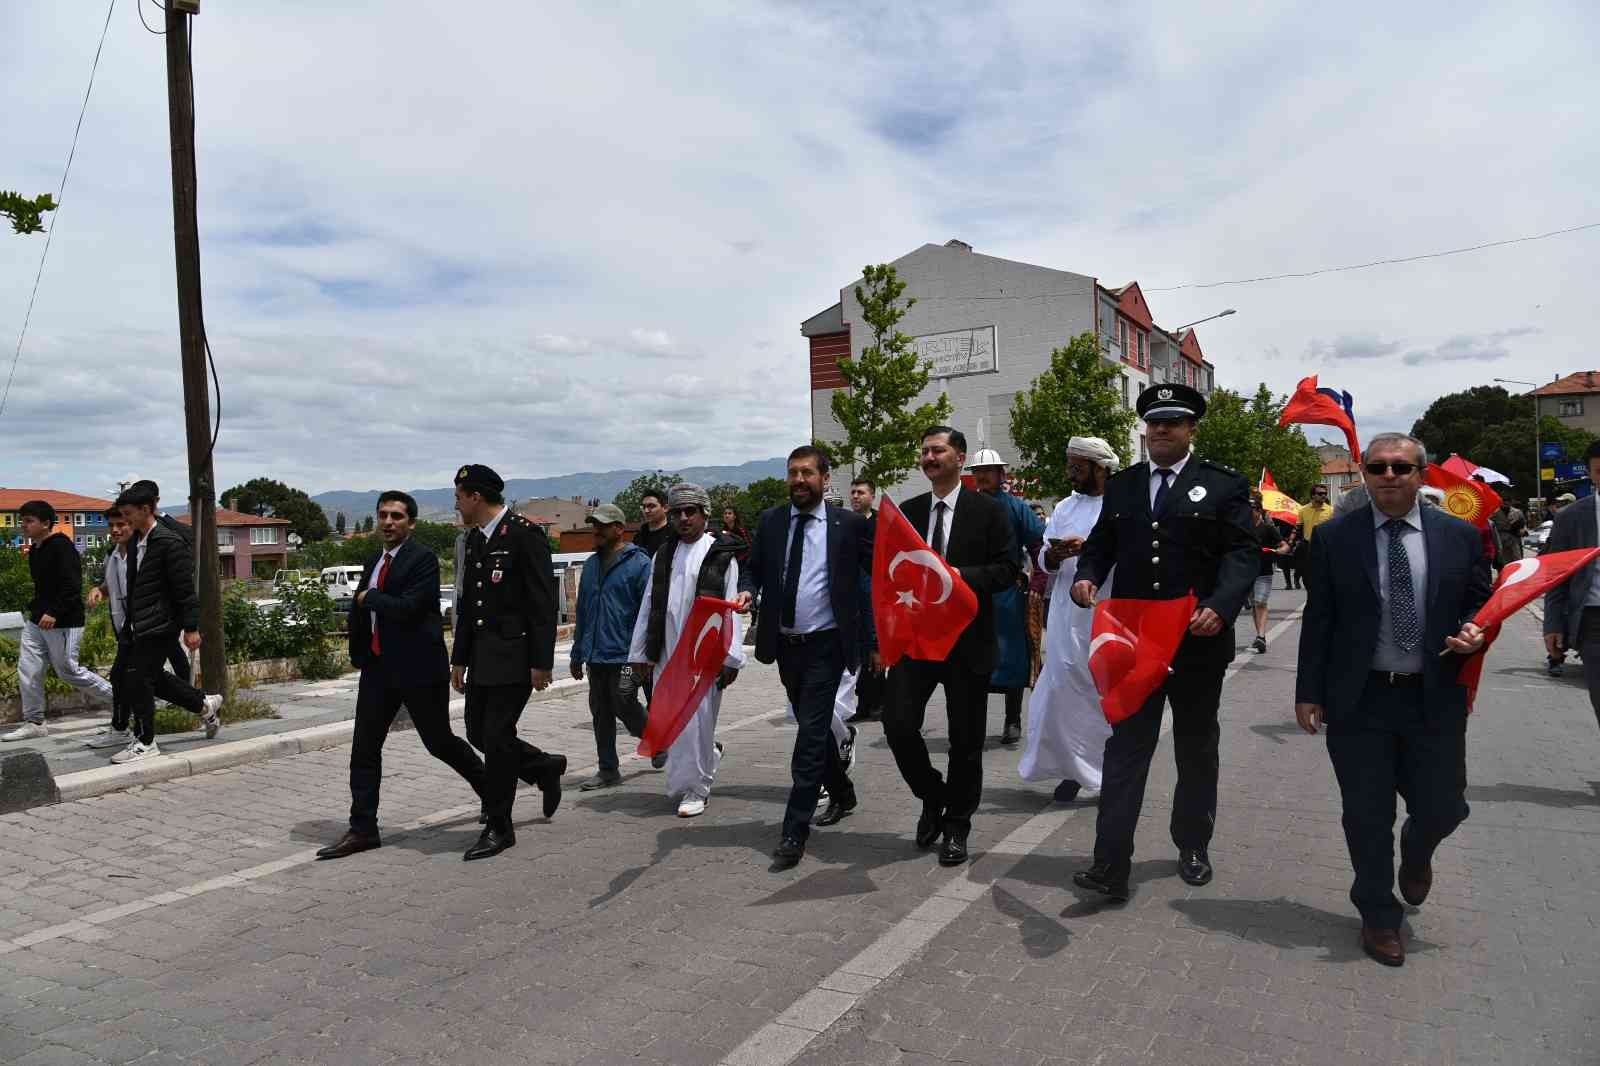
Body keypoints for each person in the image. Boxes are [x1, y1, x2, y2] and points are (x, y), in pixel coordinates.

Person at [1295, 433, 1490, 967]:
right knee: (1365, 814)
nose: (1389, 475)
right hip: (1361, 700)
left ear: (1421, 475)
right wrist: (1308, 691)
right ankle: (1379, 914)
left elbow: (1481, 604)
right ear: (1364, 473)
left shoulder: (1459, 537)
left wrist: (1477, 630)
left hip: (1434, 698)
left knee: (1444, 806)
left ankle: (1420, 848)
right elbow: (1321, 618)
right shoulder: (1336, 537)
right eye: (1377, 467)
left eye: (1400, 467)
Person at [1069, 384, 1255, 902]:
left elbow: (1242, 555)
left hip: (1197, 640)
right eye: (1153, 422)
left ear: (1191, 428)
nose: (1161, 430)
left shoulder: (1222, 485)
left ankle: (1193, 842)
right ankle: (1110, 863)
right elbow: (1103, 543)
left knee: (1196, 746)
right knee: (1127, 747)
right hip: (1135, 641)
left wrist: (1220, 605)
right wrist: (1088, 574)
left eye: (1173, 422)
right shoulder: (1125, 485)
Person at [316, 492, 489, 861]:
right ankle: (363, 829)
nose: (388, 522)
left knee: (439, 742)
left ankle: (493, 794)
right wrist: (360, 651)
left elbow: (409, 608)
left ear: (410, 523)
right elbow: (361, 612)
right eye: (383, 515)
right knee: (364, 748)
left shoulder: (422, 559)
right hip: (379, 668)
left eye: (396, 516)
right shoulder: (373, 559)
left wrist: (368, 598)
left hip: (418, 667)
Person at [882, 426, 1019, 867]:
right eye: (923, 451)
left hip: (967, 643)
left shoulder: (989, 512)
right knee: (899, 725)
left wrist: (955, 577)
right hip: (917, 643)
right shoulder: (908, 512)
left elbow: (1007, 571)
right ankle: (933, 795)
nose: (928, 457)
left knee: (965, 741)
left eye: (937, 450)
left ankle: (957, 826)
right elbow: (890, 576)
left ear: (960, 458)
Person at [737, 447, 874, 869]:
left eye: (807, 473)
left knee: (809, 734)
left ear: (825, 479)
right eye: (793, 473)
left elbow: (880, 574)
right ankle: (844, 791)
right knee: (811, 726)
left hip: (827, 644)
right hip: (786, 646)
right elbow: (753, 568)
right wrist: (747, 590)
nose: (799, 480)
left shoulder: (848, 526)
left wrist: (876, 638)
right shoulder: (772, 521)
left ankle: (794, 829)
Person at [451, 464, 565, 861]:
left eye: (459, 496)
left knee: (497, 739)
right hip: (483, 657)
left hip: (516, 657)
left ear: (476, 497)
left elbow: (543, 603)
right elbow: (469, 605)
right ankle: (543, 767)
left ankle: (499, 826)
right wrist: (459, 659)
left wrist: (542, 662)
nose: (457, 504)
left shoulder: (522, 534)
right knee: (477, 735)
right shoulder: (475, 540)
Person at [628, 483, 745, 817]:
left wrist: (732, 656)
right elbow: (649, 604)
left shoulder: (721, 555)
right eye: (677, 512)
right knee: (674, 722)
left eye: (690, 511)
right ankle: (693, 775)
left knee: (697, 722)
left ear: (704, 514)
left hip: (705, 655)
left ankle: (696, 789)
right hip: (667, 651)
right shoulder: (663, 554)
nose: (683, 518)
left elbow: (730, 607)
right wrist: (640, 653)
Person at [1019, 436, 1118, 804]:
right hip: (1064, 613)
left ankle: (1106, 770)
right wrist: (1057, 554)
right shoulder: (1063, 507)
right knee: (1063, 689)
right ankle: (1073, 770)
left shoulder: (1119, 505)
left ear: (1098, 468)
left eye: (1077, 467)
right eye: (1069, 465)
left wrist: (1089, 550)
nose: (1070, 473)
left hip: (1106, 610)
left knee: (1100, 691)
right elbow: (1044, 559)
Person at [108, 484, 223, 763]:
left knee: (137, 679)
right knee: (141, 677)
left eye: (129, 514)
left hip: (160, 623)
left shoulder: (168, 542)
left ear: (146, 509)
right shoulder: (137, 542)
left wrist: (191, 627)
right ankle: (204, 703)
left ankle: (146, 741)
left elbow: (184, 590)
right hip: (138, 623)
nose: (126, 520)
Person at [2, 501, 117, 744]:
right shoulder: (35, 550)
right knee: (29, 668)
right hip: (37, 621)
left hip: (64, 621)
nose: (24, 525)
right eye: (22, 520)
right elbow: (42, 587)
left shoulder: (62, 547)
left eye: (29, 521)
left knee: (69, 671)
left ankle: (123, 701)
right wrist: (38, 611)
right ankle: (34, 722)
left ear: (45, 523)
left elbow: (72, 586)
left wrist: (54, 611)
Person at [570, 503, 651, 790]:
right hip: (596, 655)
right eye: (595, 525)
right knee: (601, 711)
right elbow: (583, 610)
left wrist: (646, 653)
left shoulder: (640, 564)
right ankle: (607, 769)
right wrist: (577, 653)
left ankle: (654, 738)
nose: (597, 531)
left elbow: (648, 612)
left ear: (619, 528)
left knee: (624, 700)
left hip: (627, 655)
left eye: (603, 526)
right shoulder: (591, 565)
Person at [968, 448, 1045, 746]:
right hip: (972, 593)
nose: (982, 475)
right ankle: (971, 722)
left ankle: (1012, 719)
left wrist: (1038, 581)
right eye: (978, 471)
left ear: (1002, 474)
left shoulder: (1017, 507)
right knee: (971, 659)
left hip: (1007, 594)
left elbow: (1039, 545)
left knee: (1012, 656)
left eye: (989, 470)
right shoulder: (965, 506)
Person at [1544, 441, 1600, 728]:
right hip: (1593, 620)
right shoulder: (1571, 518)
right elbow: (1557, 575)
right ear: (1591, 474)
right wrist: (1553, 624)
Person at [129, 479, 197, 683]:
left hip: (166, 603)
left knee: (149, 670)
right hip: (146, 605)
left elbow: (191, 537)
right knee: (162, 659)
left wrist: (191, 626)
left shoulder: (166, 527)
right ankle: (193, 695)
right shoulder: (136, 528)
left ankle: (196, 697)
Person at [82, 508, 136, 750]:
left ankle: (121, 728)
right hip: (122, 626)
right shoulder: (112, 555)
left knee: (121, 676)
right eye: (111, 525)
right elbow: (108, 585)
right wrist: (98, 590)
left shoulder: (141, 553)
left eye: (121, 524)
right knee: (134, 678)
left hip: (142, 626)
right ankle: (204, 704)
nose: (115, 530)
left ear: (133, 524)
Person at [847, 477, 885, 724]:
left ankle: (880, 702)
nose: (855, 496)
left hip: (875, 591)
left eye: (860, 492)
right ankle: (864, 703)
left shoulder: (883, 524)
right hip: (853, 596)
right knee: (859, 650)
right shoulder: (846, 524)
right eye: (853, 492)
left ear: (872, 496)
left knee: (876, 648)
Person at [1248, 493, 1289, 652]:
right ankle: (1260, 636)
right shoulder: (1240, 528)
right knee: (1254, 604)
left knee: (1260, 602)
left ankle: (1261, 636)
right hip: (1246, 572)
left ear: (1259, 511)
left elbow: (1284, 545)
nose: (1248, 512)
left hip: (1264, 572)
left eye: (1251, 509)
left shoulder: (1268, 528)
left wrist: (1280, 551)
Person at [1288, 484, 1333, 593]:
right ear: (1313, 496)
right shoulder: (1303, 510)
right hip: (1307, 546)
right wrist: (1289, 542)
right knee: (1307, 576)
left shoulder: (1331, 510)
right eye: (1320, 494)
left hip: (1325, 546)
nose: (1323, 496)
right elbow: (1297, 528)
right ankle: (1311, 594)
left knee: (1323, 575)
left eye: (1325, 494)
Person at [632, 488, 674, 557]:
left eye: (651, 506)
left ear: (665, 508)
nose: (646, 511)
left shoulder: (674, 534)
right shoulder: (639, 536)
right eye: (643, 506)